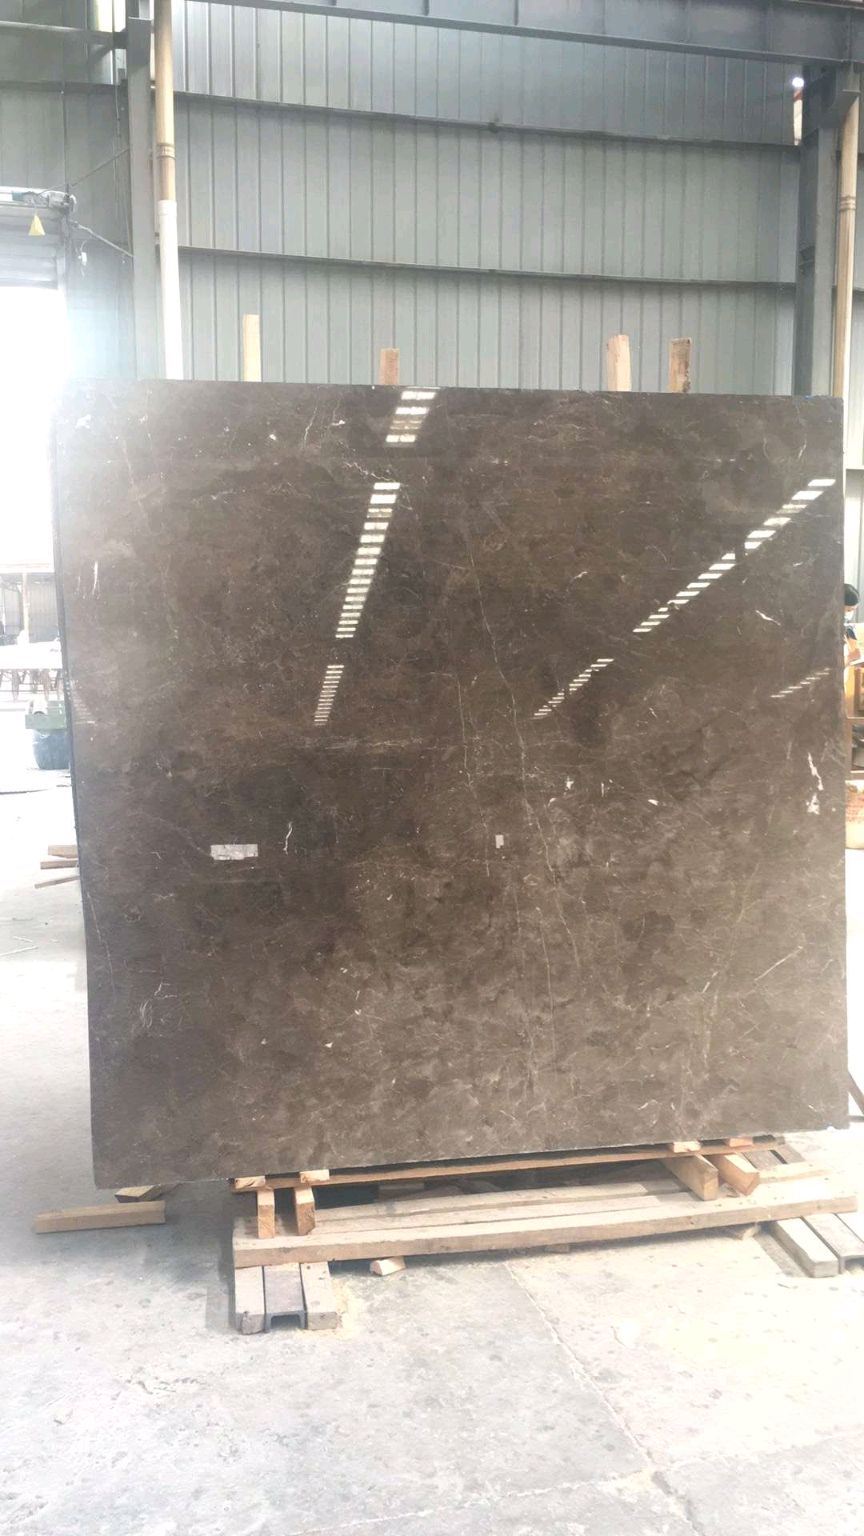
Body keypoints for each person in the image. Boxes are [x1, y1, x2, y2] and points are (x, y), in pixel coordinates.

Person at [846, 584, 861, 667]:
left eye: (853, 610)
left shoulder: (849, 628)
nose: (851, 613)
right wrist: (850, 657)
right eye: (849, 610)